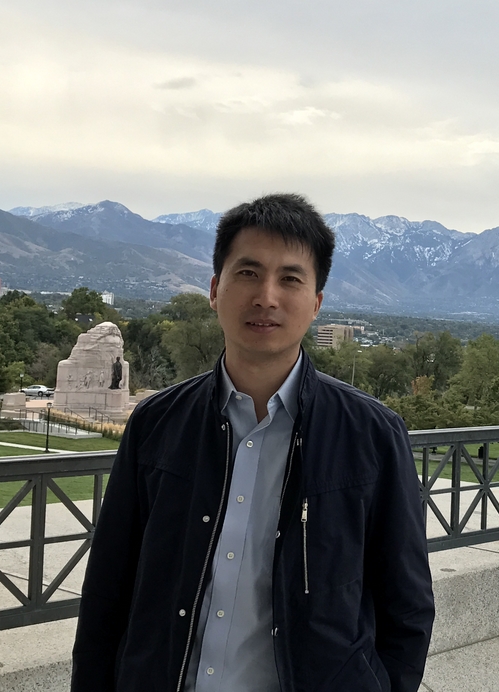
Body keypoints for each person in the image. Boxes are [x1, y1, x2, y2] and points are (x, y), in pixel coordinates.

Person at [71, 194, 435, 692]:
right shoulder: (157, 425)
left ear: (316, 303)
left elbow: (407, 610)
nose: (267, 296)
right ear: (215, 289)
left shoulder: (371, 436)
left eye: (290, 279)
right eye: (248, 273)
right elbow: (106, 595)